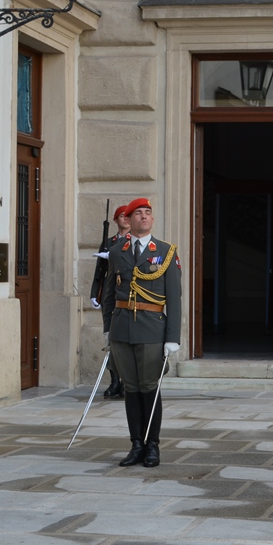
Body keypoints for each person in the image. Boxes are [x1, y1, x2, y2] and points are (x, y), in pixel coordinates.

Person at [102, 198, 182, 468]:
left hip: (151, 329)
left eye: (148, 213)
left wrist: (172, 337)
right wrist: (107, 328)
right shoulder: (117, 251)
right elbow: (110, 294)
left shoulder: (166, 251)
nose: (144, 217)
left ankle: (152, 446)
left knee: (149, 388)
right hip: (121, 329)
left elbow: (174, 298)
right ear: (129, 219)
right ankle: (136, 444)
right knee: (131, 389)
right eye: (138, 213)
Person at [89, 204, 131, 399]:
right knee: (109, 338)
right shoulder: (108, 242)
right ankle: (114, 381)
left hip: (125, 294)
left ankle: (126, 382)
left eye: (127, 215)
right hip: (108, 294)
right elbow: (100, 269)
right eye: (121, 216)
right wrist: (93, 293)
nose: (125, 219)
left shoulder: (134, 241)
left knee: (126, 340)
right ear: (115, 220)